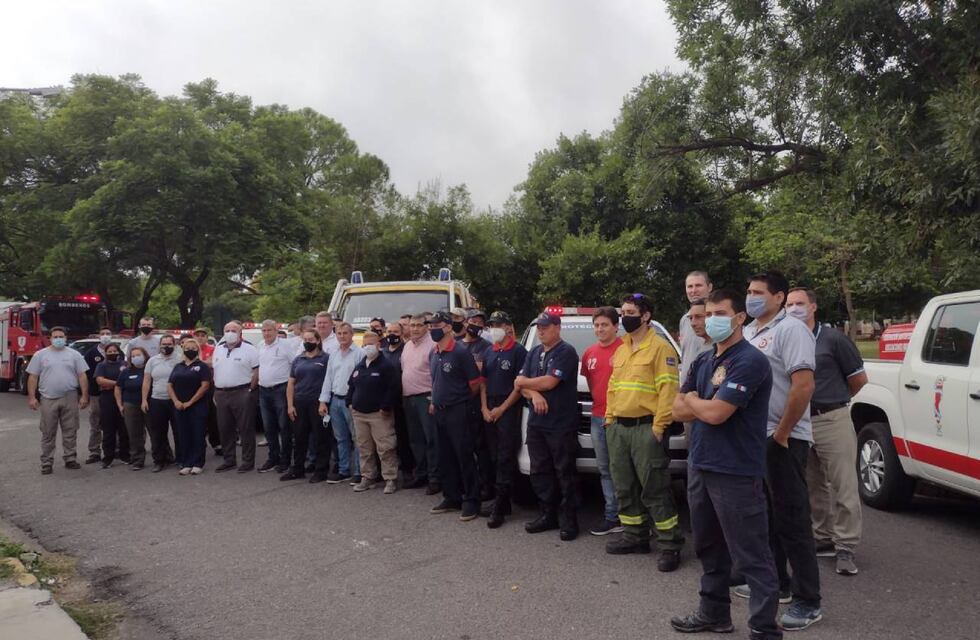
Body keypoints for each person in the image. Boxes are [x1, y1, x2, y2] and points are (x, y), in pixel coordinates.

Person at [669, 289, 782, 640]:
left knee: (751, 555)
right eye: (705, 314)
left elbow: (717, 414)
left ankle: (764, 629)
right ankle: (714, 614)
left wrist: (694, 400)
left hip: (735, 472)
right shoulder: (705, 361)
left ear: (739, 318)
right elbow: (676, 409)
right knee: (709, 547)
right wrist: (697, 401)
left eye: (719, 313)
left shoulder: (749, 361)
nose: (710, 319)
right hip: (701, 465)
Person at [739, 271, 822, 631]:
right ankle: (780, 585)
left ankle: (808, 600)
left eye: (758, 292)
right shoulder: (749, 332)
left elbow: (803, 386)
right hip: (756, 438)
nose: (750, 297)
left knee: (792, 519)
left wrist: (783, 434)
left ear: (778, 297)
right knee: (767, 516)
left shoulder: (792, 331)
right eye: (748, 291)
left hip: (783, 438)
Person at [786, 288, 867, 576]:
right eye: (789, 304)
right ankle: (822, 537)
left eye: (800, 303)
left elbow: (858, 379)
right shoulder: (789, 339)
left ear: (813, 306)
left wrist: (834, 398)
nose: (794, 308)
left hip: (831, 418)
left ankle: (846, 545)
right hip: (800, 420)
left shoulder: (833, 339)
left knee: (843, 484)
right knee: (812, 485)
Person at [604, 293, 685, 570]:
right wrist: (609, 418)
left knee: (655, 489)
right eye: (623, 311)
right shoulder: (622, 347)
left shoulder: (660, 348)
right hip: (619, 429)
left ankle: (670, 544)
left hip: (646, 428)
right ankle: (635, 536)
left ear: (645, 315)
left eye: (629, 311)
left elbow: (668, 391)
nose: (624, 316)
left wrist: (660, 427)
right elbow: (613, 386)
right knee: (624, 487)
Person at [515, 311, 581, 540]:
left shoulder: (566, 352)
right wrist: (533, 394)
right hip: (537, 423)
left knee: (565, 472)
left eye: (545, 327)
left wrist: (526, 384)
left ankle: (569, 520)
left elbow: (551, 381)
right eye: (539, 327)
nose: (541, 331)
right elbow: (519, 384)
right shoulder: (533, 352)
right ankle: (547, 514)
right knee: (540, 470)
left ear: (557, 327)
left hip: (560, 424)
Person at [426, 311, 483, 521]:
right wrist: (434, 400)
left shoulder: (460, 352)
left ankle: (471, 500)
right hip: (439, 410)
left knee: (464, 455)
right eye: (430, 326)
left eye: (436, 325)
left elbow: (475, 384)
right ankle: (452, 496)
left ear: (449, 326)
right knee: (445, 456)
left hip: (459, 410)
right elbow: (435, 381)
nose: (432, 329)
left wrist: (459, 401)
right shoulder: (433, 352)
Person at [480, 311, 528, 528]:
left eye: (498, 324)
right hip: (489, 408)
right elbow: (483, 382)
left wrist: (501, 409)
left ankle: (500, 506)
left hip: (508, 408)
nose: (494, 328)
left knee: (505, 457)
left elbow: (519, 386)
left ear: (509, 327)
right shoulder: (490, 351)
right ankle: (503, 501)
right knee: (493, 455)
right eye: (491, 325)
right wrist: (484, 407)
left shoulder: (519, 351)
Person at [580, 307, 624, 536]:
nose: (600, 329)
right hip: (598, 418)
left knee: (625, 470)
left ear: (616, 326)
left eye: (605, 325)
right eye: (596, 325)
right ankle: (612, 516)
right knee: (605, 469)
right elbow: (591, 383)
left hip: (621, 419)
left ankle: (634, 518)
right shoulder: (589, 353)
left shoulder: (627, 350)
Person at [25, 326, 90, 474]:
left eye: (61, 336)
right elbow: (33, 377)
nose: (58, 339)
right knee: (48, 432)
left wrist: (84, 396)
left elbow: (82, 376)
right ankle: (47, 462)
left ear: (66, 338)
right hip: (48, 398)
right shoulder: (40, 355)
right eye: (55, 337)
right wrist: (32, 397)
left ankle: (70, 458)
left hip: (70, 396)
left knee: (70, 429)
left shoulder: (75, 355)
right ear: (50, 338)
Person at [348, 332, 400, 494]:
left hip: (379, 414)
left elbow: (393, 388)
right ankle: (368, 476)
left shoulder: (386, 366)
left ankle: (390, 478)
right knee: (364, 447)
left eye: (371, 344)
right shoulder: (361, 365)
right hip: (359, 413)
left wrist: (385, 406)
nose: (368, 347)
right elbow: (352, 385)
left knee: (385, 447)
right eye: (365, 344)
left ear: (379, 345)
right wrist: (349, 402)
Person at [283, 329, 334, 482]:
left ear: (318, 340)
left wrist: (323, 402)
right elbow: (291, 383)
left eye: (311, 339)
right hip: (299, 402)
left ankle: (321, 470)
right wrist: (290, 405)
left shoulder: (326, 358)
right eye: (305, 339)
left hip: (318, 403)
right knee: (299, 437)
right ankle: (298, 468)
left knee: (321, 438)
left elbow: (329, 381)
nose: (307, 342)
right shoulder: (299, 359)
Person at [318, 322, 363, 484]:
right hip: (335, 400)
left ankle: (359, 471)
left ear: (351, 334)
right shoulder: (334, 354)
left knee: (357, 438)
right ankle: (344, 470)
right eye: (339, 334)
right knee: (340, 438)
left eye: (345, 333)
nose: (342, 336)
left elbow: (361, 380)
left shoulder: (360, 353)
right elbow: (328, 378)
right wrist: (323, 401)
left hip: (351, 402)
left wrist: (356, 401)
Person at [212, 321, 260, 473]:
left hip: (242, 392)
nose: (230, 332)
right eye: (227, 330)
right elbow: (215, 370)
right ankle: (229, 460)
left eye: (234, 330)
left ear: (240, 334)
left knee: (245, 429)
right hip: (221, 393)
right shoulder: (218, 349)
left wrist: (250, 389)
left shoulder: (250, 349)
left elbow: (257, 371)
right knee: (225, 428)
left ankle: (247, 461)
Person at [401, 313, 440, 494]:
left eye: (418, 325)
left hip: (427, 398)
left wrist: (434, 398)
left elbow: (436, 376)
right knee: (416, 439)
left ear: (427, 326)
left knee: (431, 439)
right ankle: (421, 473)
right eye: (412, 325)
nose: (414, 328)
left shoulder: (433, 345)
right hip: (409, 398)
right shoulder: (407, 345)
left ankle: (435, 478)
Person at [167, 338, 212, 476]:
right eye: (187, 347)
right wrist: (175, 401)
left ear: (197, 350)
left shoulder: (202, 366)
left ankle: (198, 463)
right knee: (183, 434)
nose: (190, 350)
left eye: (193, 348)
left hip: (197, 406)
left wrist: (191, 402)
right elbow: (170, 385)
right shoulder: (178, 366)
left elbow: (205, 386)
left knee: (197, 434)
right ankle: (187, 463)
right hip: (179, 406)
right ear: (183, 349)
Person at [462, 309, 494, 500]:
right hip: (459, 404)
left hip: (476, 403)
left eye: (480, 323)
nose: (475, 325)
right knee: (464, 447)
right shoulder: (457, 345)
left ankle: (486, 486)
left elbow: (482, 378)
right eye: (472, 321)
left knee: (481, 448)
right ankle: (468, 485)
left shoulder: (486, 347)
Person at [257, 319, 295, 473]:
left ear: (276, 330)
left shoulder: (286, 346)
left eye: (269, 330)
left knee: (284, 426)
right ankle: (273, 458)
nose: (267, 333)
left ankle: (285, 460)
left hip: (281, 389)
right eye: (264, 331)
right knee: (268, 427)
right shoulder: (260, 346)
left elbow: (295, 366)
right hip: (263, 390)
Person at [142, 334, 180, 472]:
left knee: (178, 431)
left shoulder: (180, 359)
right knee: (158, 433)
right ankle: (159, 460)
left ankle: (180, 459)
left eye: (169, 344)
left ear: (174, 345)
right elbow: (146, 381)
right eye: (164, 344)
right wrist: (144, 399)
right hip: (157, 400)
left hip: (175, 400)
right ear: (160, 345)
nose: (166, 347)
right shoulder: (152, 361)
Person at [384, 321, 415, 475]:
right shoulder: (382, 352)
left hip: (402, 400)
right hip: (385, 401)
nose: (392, 334)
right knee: (387, 437)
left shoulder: (406, 350)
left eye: (396, 331)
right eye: (389, 331)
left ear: (402, 333)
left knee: (404, 436)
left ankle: (408, 469)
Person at [93, 342, 128, 468]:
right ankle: (108, 457)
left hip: (124, 398)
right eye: (110, 351)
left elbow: (129, 378)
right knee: (108, 429)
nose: (112, 353)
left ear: (119, 352)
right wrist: (118, 383)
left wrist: (115, 384)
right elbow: (100, 380)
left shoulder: (124, 364)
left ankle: (125, 455)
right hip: (107, 398)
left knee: (124, 428)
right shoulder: (101, 365)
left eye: (115, 351)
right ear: (106, 353)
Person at [82, 327, 113, 464]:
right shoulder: (90, 354)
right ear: (98, 336)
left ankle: (116, 449)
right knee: (95, 423)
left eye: (108, 334)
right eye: (103, 334)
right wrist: (86, 394)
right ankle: (94, 452)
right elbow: (86, 375)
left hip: (114, 394)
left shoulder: (117, 352)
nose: (105, 336)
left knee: (115, 422)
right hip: (96, 394)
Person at [193, 327, 221, 457]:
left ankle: (217, 444)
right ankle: (198, 444)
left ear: (206, 337)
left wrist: (198, 363)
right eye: (197, 335)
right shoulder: (190, 349)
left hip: (210, 386)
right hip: (193, 387)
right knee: (197, 417)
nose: (200, 338)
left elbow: (213, 363)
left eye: (202, 335)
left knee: (212, 417)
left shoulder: (213, 349)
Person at [680, 298, 714, 386]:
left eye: (698, 317)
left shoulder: (721, 348)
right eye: (690, 318)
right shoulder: (702, 348)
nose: (693, 323)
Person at [679, 271, 713, 344]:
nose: (693, 291)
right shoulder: (684, 320)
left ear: (710, 287)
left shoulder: (718, 318)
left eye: (698, 285)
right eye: (690, 286)